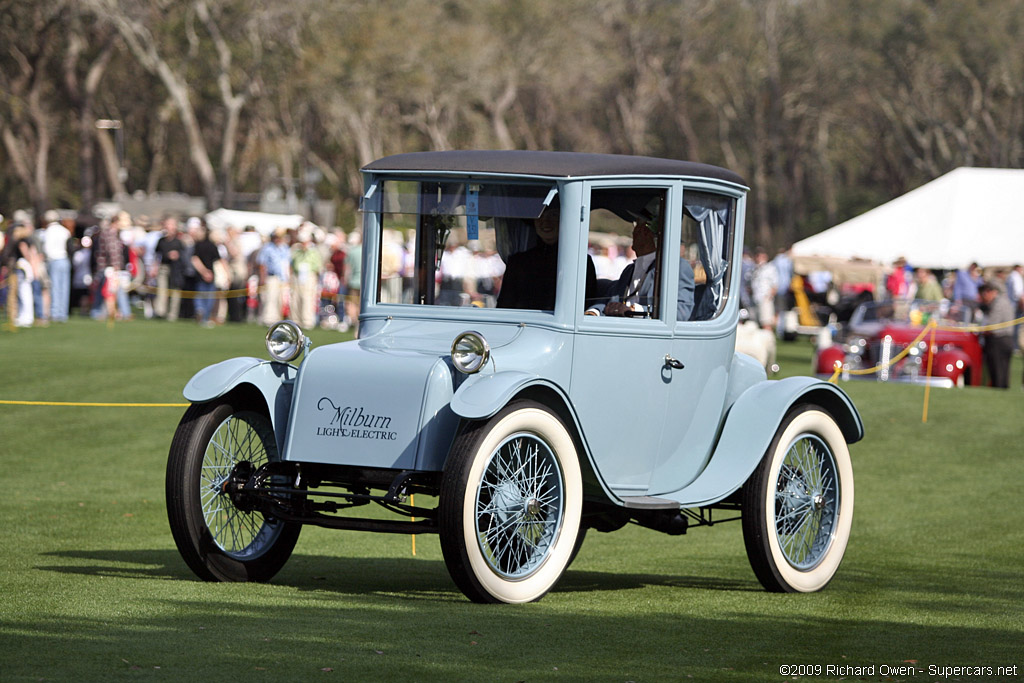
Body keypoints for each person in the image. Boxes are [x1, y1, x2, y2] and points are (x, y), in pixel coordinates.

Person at [587, 211, 693, 321]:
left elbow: (681, 311)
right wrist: (593, 312)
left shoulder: (677, 267)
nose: (635, 231)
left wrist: (633, 311)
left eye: (640, 227)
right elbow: (610, 299)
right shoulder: (629, 270)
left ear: (651, 234)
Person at [498, 203, 595, 311]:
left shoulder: (580, 262)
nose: (545, 222)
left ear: (563, 220)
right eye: (539, 215)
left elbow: (586, 307)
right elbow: (504, 307)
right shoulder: (518, 262)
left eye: (553, 215)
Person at [977, 281, 1015, 389]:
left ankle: (999, 389)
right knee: (1002, 369)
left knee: (997, 370)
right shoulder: (1003, 301)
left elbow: (992, 326)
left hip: (999, 340)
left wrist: (979, 331)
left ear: (990, 292)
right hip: (1005, 340)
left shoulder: (998, 303)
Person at [290, 223, 323, 329]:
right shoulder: (296, 250)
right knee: (296, 299)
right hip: (297, 276)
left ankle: (307, 321)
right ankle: (296, 321)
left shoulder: (313, 251)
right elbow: (292, 264)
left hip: (309, 276)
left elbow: (318, 266)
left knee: (308, 299)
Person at [189, 220, 221, 327]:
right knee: (208, 298)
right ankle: (204, 316)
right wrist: (207, 272)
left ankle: (200, 311)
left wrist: (203, 272)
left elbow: (195, 259)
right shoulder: (212, 246)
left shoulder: (198, 245)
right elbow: (218, 261)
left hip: (202, 274)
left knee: (201, 295)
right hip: (209, 274)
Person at [41, 210, 71, 323]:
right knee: (64, 287)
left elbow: (47, 249)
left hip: (54, 260)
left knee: (55, 287)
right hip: (64, 259)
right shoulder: (64, 231)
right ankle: (62, 313)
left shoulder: (48, 231)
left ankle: (55, 312)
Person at [153, 216, 184, 321]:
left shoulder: (179, 241)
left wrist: (177, 255)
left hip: (176, 269)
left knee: (175, 292)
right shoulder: (161, 241)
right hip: (163, 267)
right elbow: (157, 255)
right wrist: (154, 267)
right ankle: (160, 312)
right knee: (162, 290)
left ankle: (172, 315)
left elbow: (186, 256)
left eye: (170, 224)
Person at [258, 228, 292, 325]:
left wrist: (289, 277)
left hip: (283, 278)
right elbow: (262, 264)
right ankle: (269, 319)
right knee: (270, 298)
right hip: (271, 276)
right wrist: (262, 278)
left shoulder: (285, 248)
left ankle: (278, 319)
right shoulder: (267, 248)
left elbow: (288, 264)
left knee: (280, 300)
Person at [750, 247, 778, 330]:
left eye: (761, 256)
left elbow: (775, 284)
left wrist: (769, 296)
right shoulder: (754, 269)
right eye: (757, 256)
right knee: (756, 322)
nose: (759, 259)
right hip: (756, 298)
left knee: (766, 322)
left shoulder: (770, 268)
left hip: (765, 297)